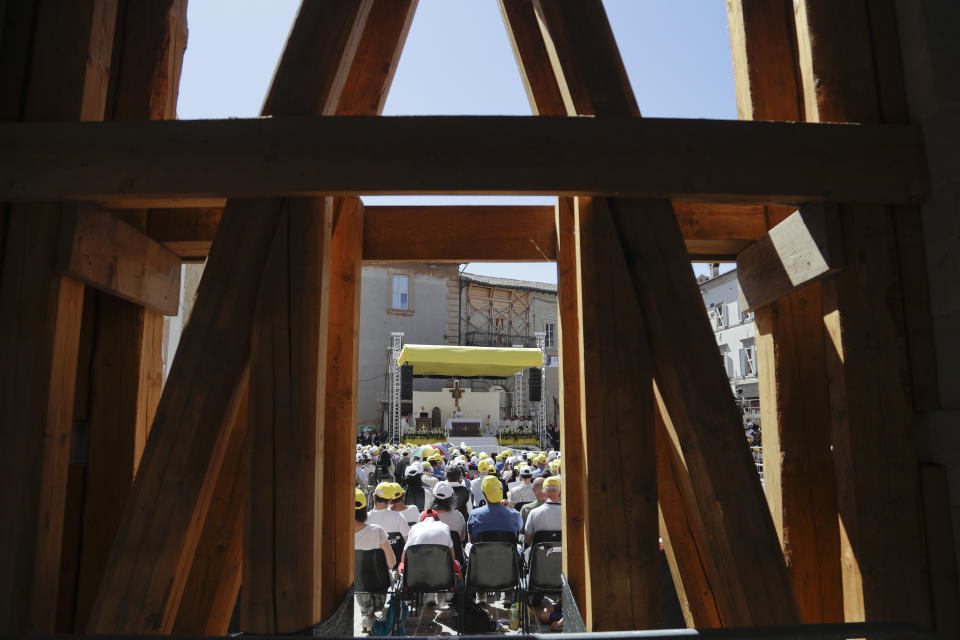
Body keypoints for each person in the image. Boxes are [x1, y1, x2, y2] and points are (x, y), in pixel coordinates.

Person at [354, 488, 395, 632]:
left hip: (357, 587)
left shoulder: (341, 533)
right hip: (380, 585)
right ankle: (374, 616)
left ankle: (368, 615)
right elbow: (391, 563)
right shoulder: (377, 530)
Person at [401, 509, 460, 607]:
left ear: (421, 520)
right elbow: (452, 558)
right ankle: (451, 595)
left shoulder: (415, 528)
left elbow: (403, 559)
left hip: (416, 579)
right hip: (443, 579)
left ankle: (429, 594)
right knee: (454, 564)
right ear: (437, 519)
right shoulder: (445, 527)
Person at [467, 476, 523, 542]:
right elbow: (520, 531)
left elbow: (472, 541)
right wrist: (511, 508)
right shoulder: (515, 515)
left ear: (484, 494)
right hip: (507, 552)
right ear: (501, 491)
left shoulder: (474, 515)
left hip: (483, 552)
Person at [525, 476, 562, 545]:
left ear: (543, 494)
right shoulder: (568, 513)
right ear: (560, 494)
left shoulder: (533, 513)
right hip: (563, 554)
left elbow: (527, 540)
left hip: (540, 554)